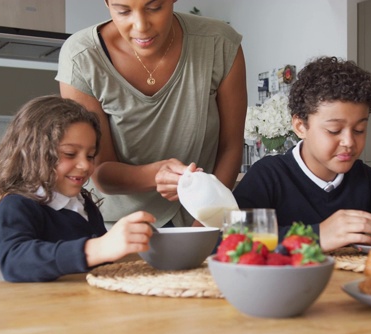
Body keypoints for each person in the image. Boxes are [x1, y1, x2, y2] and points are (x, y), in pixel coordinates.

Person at [57, 0, 247, 229]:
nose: (141, 26)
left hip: (198, 216)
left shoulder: (219, 43)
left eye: (154, 7)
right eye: (123, 11)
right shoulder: (81, 57)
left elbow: (231, 146)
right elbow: (99, 169)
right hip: (119, 226)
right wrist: (156, 174)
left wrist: (205, 224)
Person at [233, 56, 371, 252]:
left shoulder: (364, 179)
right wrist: (316, 236)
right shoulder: (269, 175)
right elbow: (229, 240)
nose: (349, 142)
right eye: (334, 130)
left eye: (359, 130)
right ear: (300, 126)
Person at [0, 95, 156, 282]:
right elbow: (15, 262)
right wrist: (97, 248)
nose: (85, 165)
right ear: (34, 152)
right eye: (70, 154)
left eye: (91, 155)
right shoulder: (17, 205)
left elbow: (102, 269)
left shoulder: (84, 204)